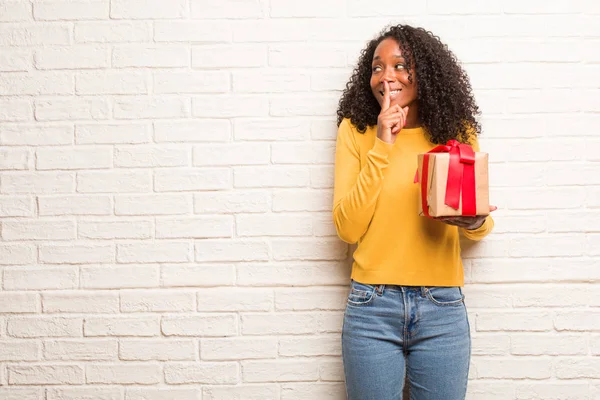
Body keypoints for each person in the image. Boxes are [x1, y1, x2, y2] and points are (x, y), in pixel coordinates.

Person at [333, 24, 496, 400]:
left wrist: (476, 221)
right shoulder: (356, 131)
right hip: (371, 307)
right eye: (377, 67)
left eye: (400, 65)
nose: (385, 76)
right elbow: (347, 227)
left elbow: (477, 224)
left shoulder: (457, 131)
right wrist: (382, 144)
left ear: (425, 71)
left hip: (442, 306)